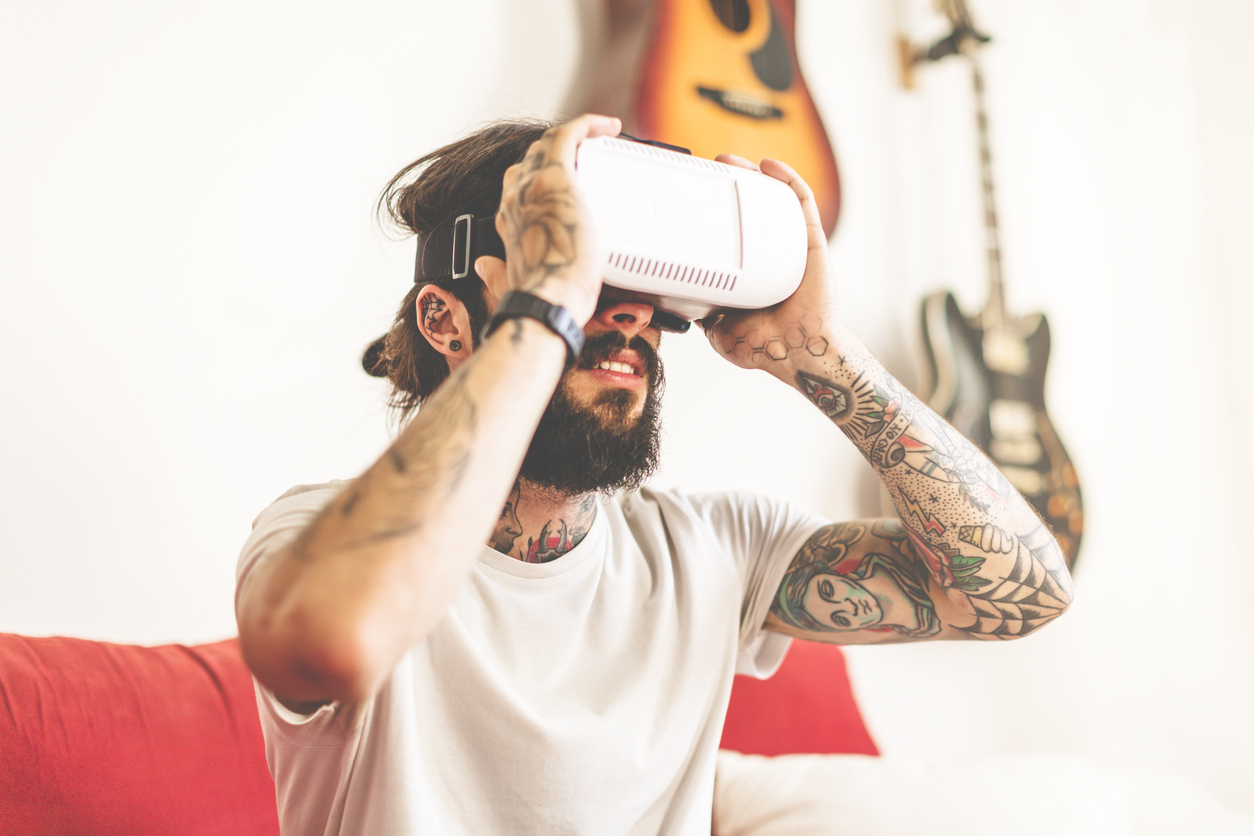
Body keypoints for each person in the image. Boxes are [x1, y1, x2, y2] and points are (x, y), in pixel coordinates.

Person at [234, 114, 1073, 834]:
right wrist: (544, 311)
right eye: (585, 272)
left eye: (633, 278)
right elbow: (330, 641)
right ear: (443, 320)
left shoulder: (709, 549)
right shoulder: (318, 538)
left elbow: (1027, 591)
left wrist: (825, 358)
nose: (628, 310)